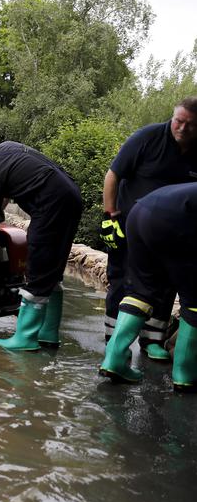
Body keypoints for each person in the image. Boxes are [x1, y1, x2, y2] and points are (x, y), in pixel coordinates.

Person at [0, 132, 82, 351]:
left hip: (50, 206)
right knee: (51, 269)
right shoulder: (7, 149)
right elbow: (1, 198)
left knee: (37, 266)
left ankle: (25, 339)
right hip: (70, 196)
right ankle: (48, 334)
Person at [101, 97, 197, 361]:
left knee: (166, 284)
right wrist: (109, 216)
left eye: (190, 124)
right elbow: (113, 176)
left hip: (172, 233)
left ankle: (152, 341)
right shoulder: (148, 137)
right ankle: (113, 340)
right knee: (122, 280)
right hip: (129, 223)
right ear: (172, 117)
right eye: (179, 121)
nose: (182, 128)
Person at [99, 182, 197, 388]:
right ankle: (186, 374)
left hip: (140, 212)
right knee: (194, 298)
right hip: (178, 219)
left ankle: (114, 360)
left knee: (141, 291)